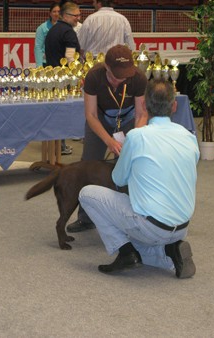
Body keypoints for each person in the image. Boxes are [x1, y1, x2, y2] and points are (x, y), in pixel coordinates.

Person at [78, 78, 200, 277]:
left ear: (143, 105)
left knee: (87, 194)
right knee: (142, 245)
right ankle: (169, 251)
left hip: (151, 226)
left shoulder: (137, 137)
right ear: (175, 106)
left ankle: (126, 253)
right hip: (182, 226)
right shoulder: (189, 136)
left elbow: (118, 180)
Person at [66, 44, 148, 232]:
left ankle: (127, 217)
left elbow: (141, 114)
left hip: (127, 121)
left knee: (127, 167)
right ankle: (86, 218)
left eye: (124, 76)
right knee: (89, 165)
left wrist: (135, 137)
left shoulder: (138, 78)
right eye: (116, 75)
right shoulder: (94, 76)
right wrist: (108, 141)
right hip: (100, 121)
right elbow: (91, 115)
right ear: (107, 67)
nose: (120, 80)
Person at [45, 1, 81, 155]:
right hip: (65, 79)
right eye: (75, 16)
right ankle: (61, 146)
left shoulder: (53, 30)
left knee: (53, 113)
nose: (78, 19)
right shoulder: (69, 33)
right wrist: (77, 75)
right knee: (63, 113)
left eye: (79, 15)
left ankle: (54, 145)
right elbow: (70, 58)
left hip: (52, 77)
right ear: (66, 16)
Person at [34, 2, 61, 68]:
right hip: (46, 63)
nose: (57, 14)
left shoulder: (65, 28)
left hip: (61, 63)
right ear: (50, 13)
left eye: (59, 11)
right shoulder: (42, 28)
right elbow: (38, 47)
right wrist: (39, 66)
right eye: (54, 11)